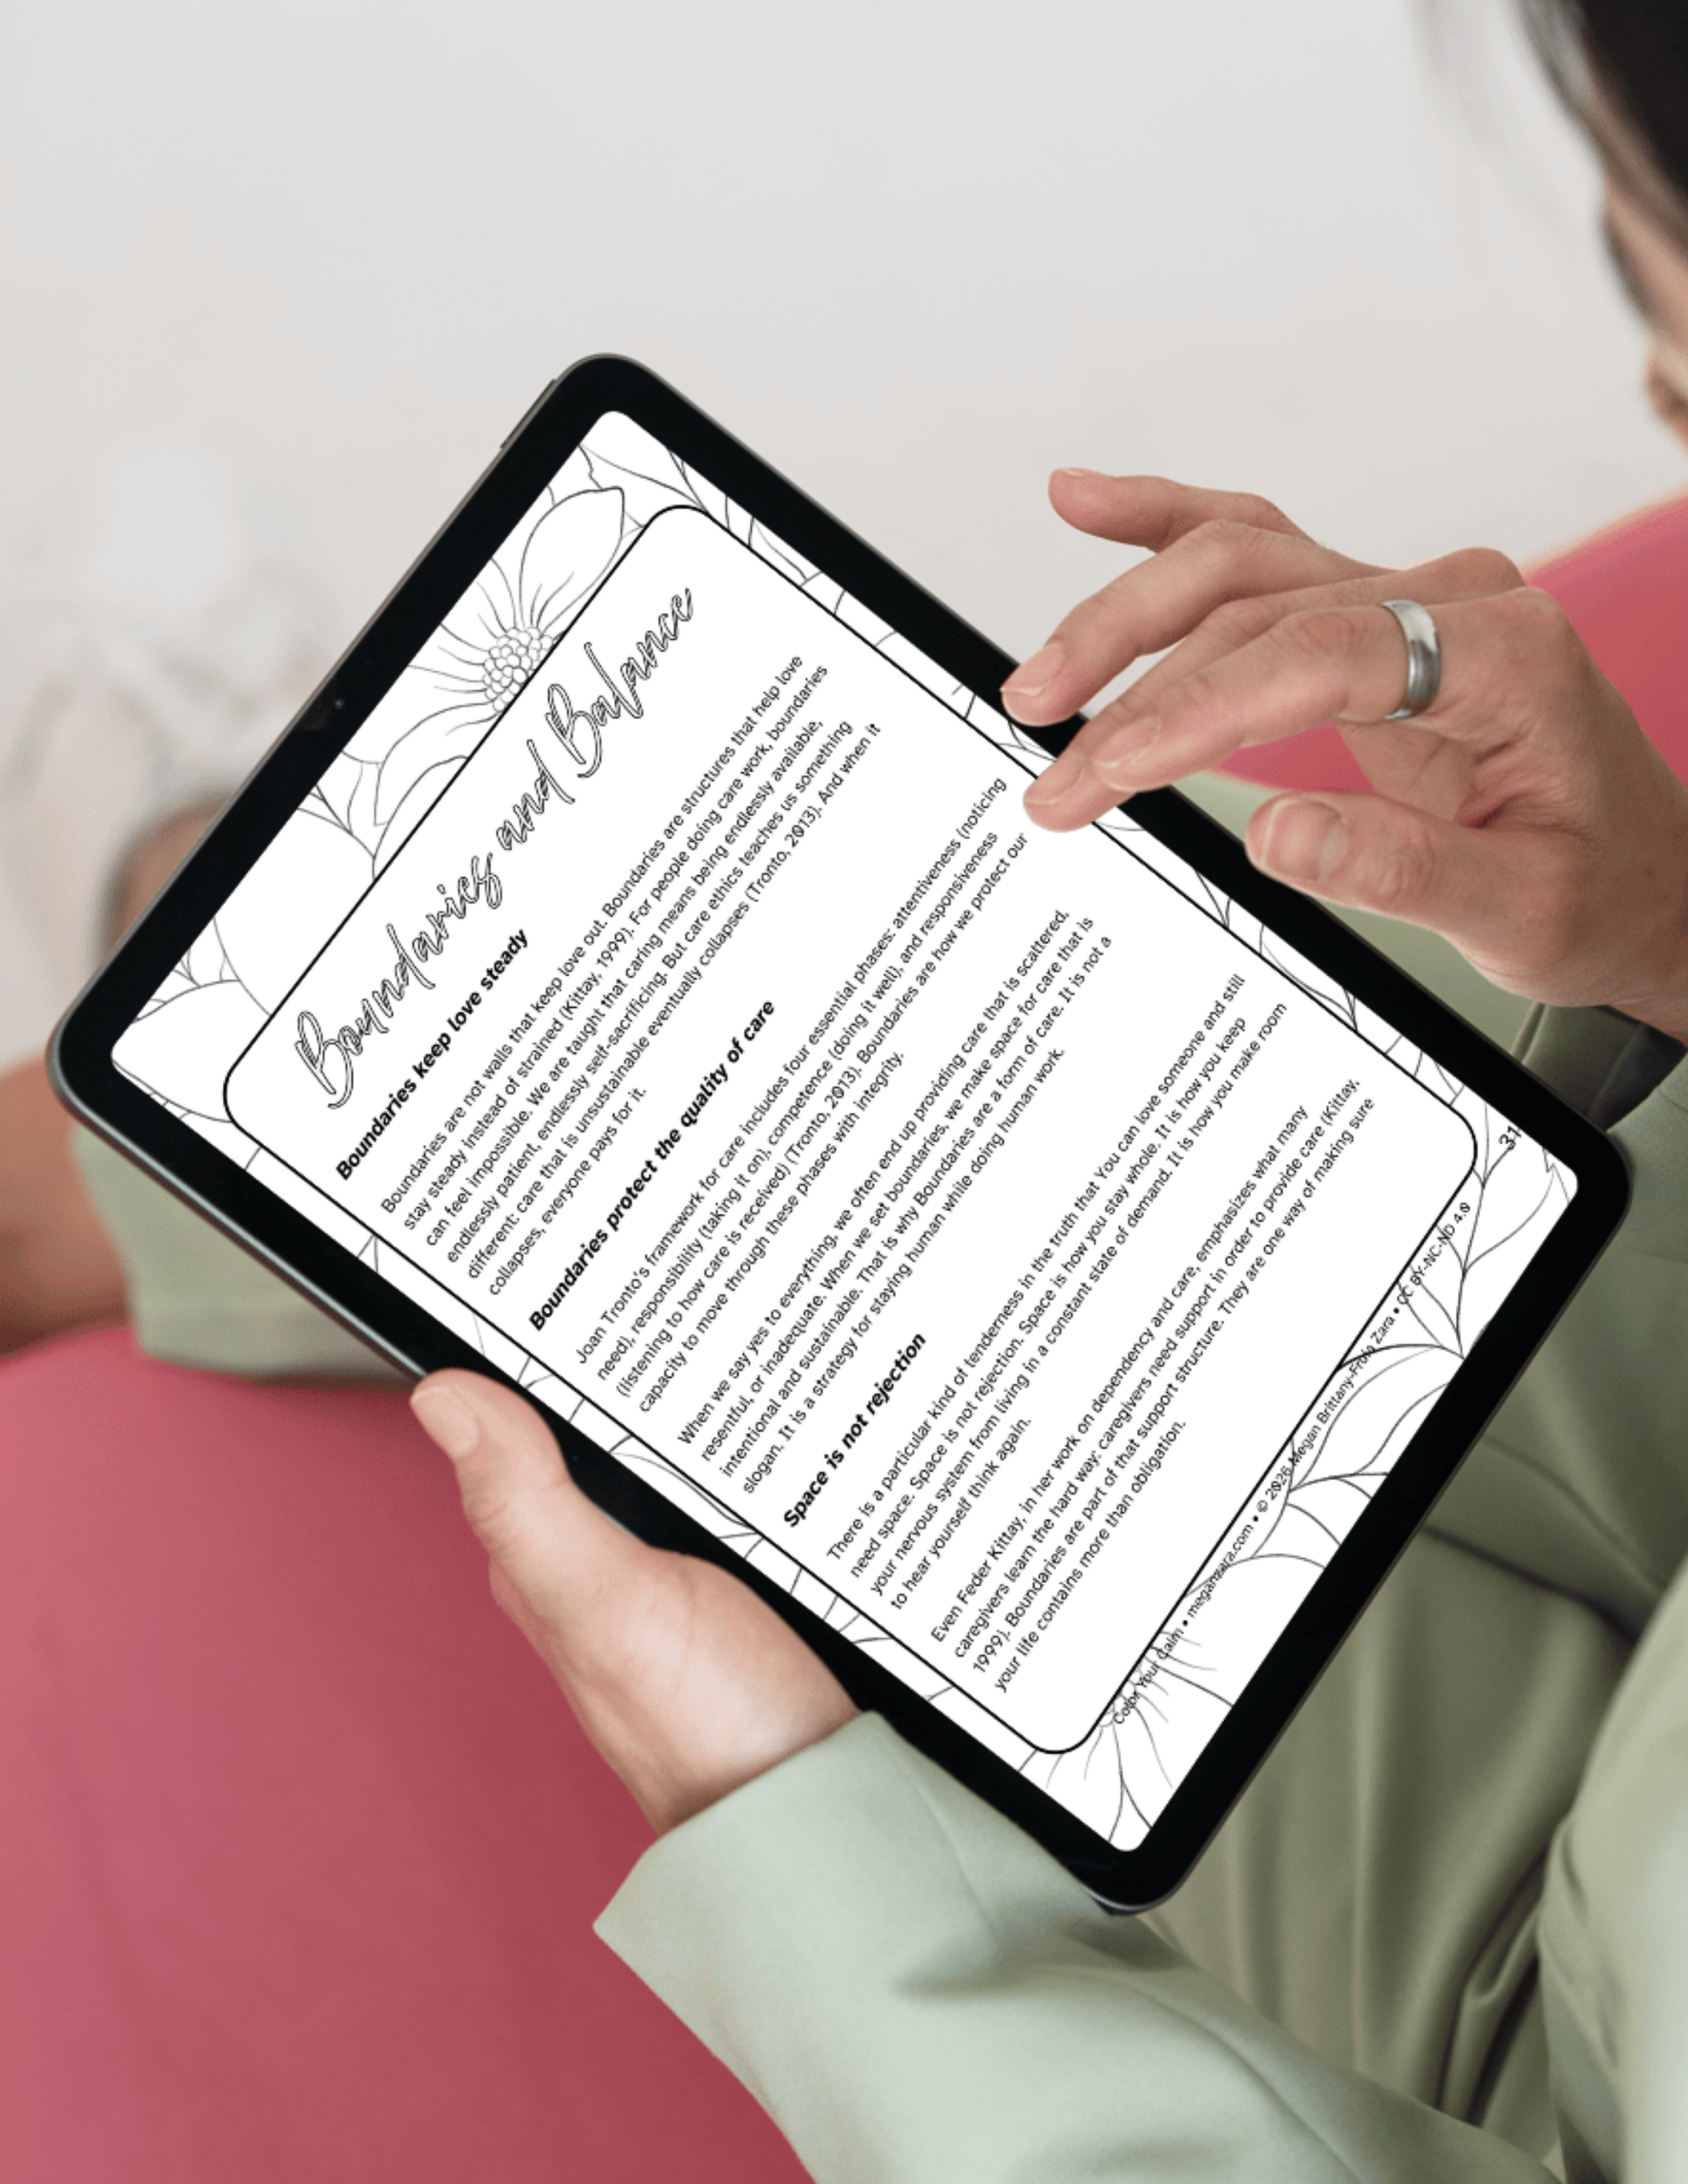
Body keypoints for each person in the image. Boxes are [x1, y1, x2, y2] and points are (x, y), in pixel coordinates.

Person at [11, 7, 1688, 2181]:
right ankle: (210, 881)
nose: (1651, 389)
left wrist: (792, 1832)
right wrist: (1659, 941)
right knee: (886, 967)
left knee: (615, 1156)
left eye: (1650, 280)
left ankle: (179, 870)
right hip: (1593, 1354)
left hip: (1523, 2005)